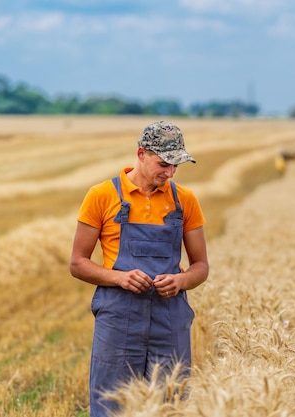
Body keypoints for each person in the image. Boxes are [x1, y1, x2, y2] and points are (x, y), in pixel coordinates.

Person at [69, 120, 209, 416]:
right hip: (119, 317)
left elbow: (201, 266)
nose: (169, 173)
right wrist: (119, 278)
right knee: (113, 405)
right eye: (163, 164)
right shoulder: (101, 196)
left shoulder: (185, 201)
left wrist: (181, 282)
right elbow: (78, 263)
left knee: (171, 405)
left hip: (169, 319)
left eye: (175, 167)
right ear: (141, 153)